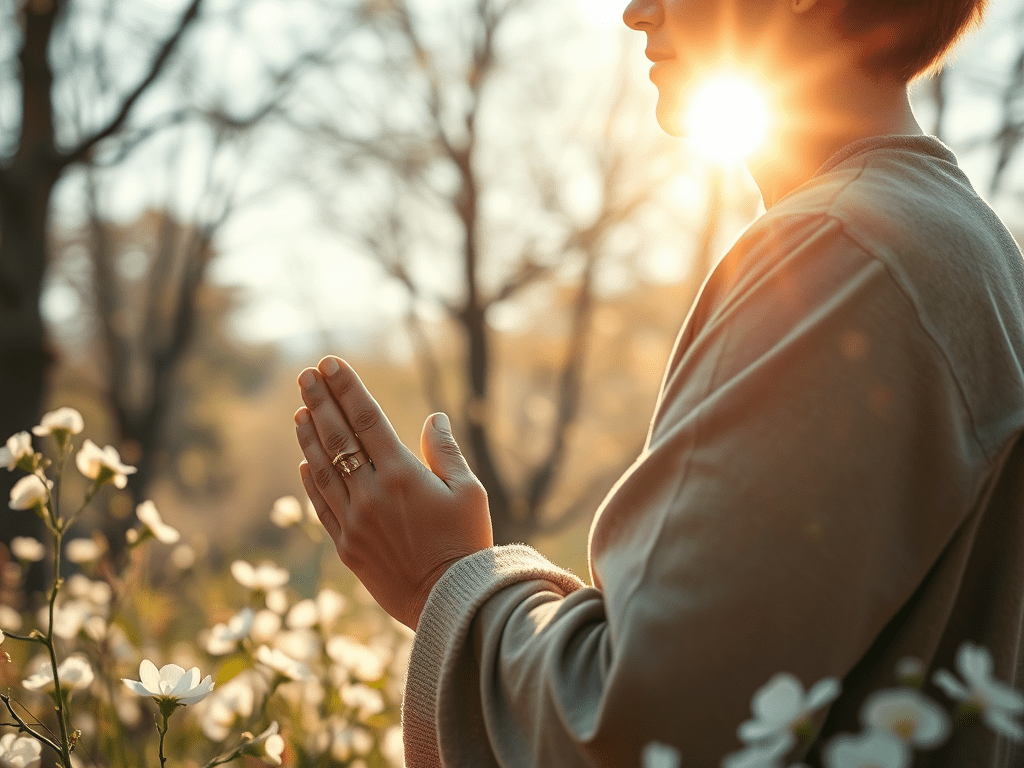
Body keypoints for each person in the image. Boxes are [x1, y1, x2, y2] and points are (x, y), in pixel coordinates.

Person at [292, 0, 1024, 764]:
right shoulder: (957, 246)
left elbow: (638, 728)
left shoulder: (846, 256)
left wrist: (445, 578)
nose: (637, 13)